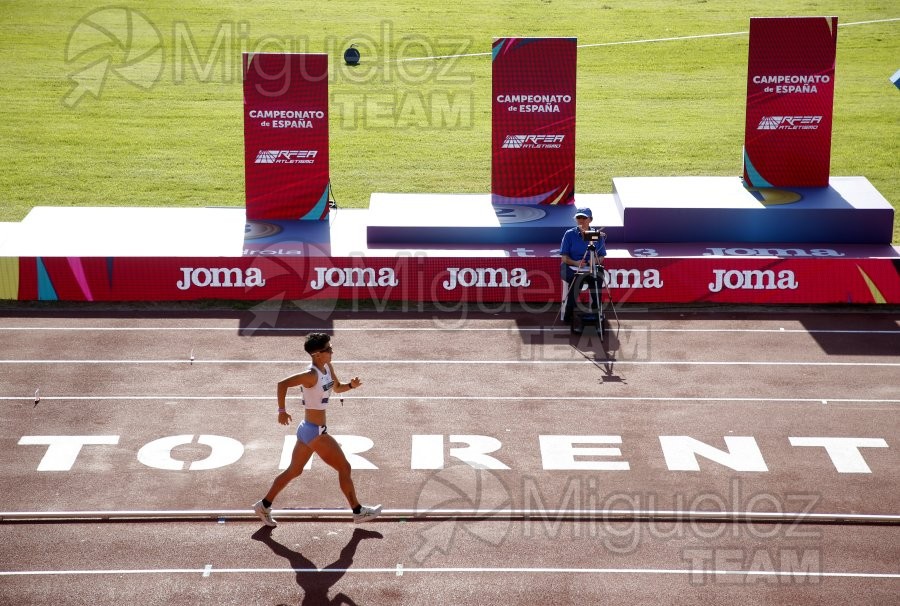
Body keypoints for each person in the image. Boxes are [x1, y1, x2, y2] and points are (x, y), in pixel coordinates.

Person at [253, 333, 382, 526]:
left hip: (307, 430)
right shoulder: (311, 375)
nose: (332, 351)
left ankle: (263, 505)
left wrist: (351, 386)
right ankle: (358, 511)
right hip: (315, 432)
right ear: (317, 354)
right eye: (328, 349)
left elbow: (337, 388)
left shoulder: (327, 368)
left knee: (294, 471)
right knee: (344, 467)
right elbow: (282, 384)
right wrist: (282, 411)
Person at [559, 207, 606, 323]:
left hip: (590, 267)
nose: (581, 220)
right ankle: (568, 313)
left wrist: (593, 261)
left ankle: (596, 313)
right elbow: (564, 257)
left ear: (590, 219)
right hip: (570, 266)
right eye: (578, 217)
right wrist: (575, 263)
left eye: (584, 218)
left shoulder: (595, 234)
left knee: (597, 277)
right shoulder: (569, 234)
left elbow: (601, 256)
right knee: (577, 279)